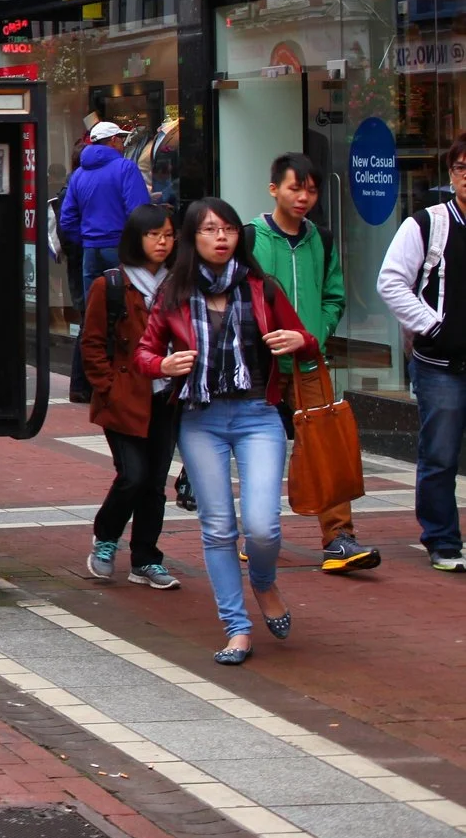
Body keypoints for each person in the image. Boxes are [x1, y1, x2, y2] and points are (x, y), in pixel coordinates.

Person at [136, 197, 315, 665]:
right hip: (201, 419)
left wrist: (299, 340)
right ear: (193, 239)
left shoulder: (262, 287)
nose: (221, 238)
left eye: (229, 229)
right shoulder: (172, 293)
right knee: (217, 529)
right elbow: (143, 354)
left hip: (259, 415)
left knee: (261, 527)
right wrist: (164, 363)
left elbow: (306, 340)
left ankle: (262, 579)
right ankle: (237, 628)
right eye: (210, 230)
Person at [251, 151, 378, 576]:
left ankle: (339, 538)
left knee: (325, 444)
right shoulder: (250, 238)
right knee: (258, 448)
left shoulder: (320, 239)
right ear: (274, 189)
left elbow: (333, 297)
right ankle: (257, 533)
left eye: (310, 189)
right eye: (294, 188)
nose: (303, 197)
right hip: (259, 365)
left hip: (308, 362)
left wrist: (310, 338)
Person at [377, 135, 466, 573]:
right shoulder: (427, 224)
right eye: (462, 168)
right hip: (441, 365)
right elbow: (390, 281)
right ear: (450, 175)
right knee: (441, 455)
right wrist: (433, 325)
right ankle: (442, 541)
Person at [82, 204, 183, 590]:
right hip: (124, 397)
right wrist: (107, 386)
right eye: (154, 234)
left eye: (169, 235)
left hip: (166, 396)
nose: (162, 242)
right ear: (136, 239)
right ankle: (106, 538)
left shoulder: (178, 285)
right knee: (132, 476)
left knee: (155, 482)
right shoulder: (110, 285)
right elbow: (91, 345)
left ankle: (145, 559)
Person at [62, 120, 153, 281]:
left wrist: (86, 239)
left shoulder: (78, 174)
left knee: (94, 302)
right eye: (121, 139)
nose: (123, 144)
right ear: (113, 140)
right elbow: (139, 212)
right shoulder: (126, 167)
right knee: (127, 302)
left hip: (90, 250)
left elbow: (67, 220)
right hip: (119, 247)